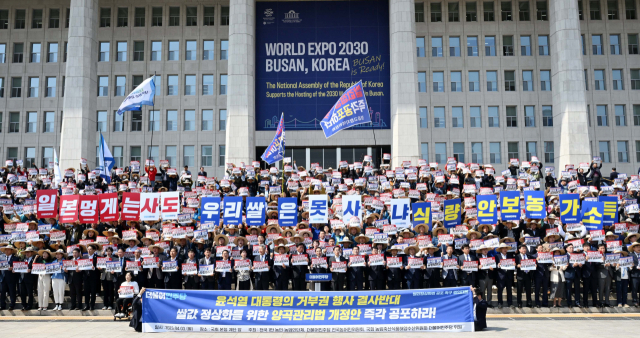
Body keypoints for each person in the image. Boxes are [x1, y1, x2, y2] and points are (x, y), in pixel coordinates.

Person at [0, 246, 20, 310]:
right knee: (2, 292)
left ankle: (12, 305)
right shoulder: (1, 258)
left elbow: (18, 268)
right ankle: (2, 305)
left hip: (11, 277)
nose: (7, 251)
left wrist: (13, 268)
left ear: (11, 251)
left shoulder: (16, 258)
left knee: (12, 292)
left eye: (8, 250)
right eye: (6, 250)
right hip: (3, 277)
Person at [495, 243, 514, 309]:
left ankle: (510, 303)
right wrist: (498, 265)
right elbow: (494, 266)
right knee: (500, 290)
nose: (505, 249)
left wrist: (513, 264)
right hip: (500, 275)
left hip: (508, 275)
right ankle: (500, 303)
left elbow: (513, 265)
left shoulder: (510, 256)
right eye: (503, 248)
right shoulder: (497, 256)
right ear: (500, 249)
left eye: (506, 248)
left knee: (509, 290)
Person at [595, 243, 614, 307]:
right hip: (601, 274)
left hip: (609, 273)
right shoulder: (596, 256)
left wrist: (612, 264)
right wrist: (603, 263)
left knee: (608, 288)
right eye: (601, 248)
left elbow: (612, 262)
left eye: (604, 248)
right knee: (601, 289)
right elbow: (596, 265)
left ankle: (607, 302)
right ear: (598, 249)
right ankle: (601, 302)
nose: (603, 249)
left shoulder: (608, 255)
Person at [83, 244, 100, 311]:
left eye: (90, 249)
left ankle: (92, 305)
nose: (89, 250)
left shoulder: (97, 257)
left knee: (93, 292)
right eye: (88, 249)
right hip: (86, 277)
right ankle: (86, 305)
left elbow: (100, 267)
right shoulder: (84, 257)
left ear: (94, 250)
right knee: (86, 292)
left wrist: (95, 268)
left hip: (94, 277)